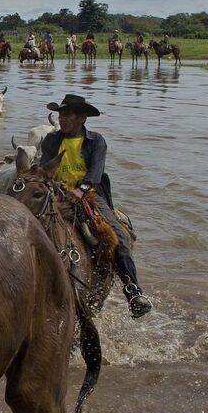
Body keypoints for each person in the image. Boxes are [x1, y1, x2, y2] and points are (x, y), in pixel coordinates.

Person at [36, 94, 152, 318]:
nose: (62, 119)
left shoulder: (96, 141)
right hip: (56, 193)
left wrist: (79, 190)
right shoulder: (51, 140)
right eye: (61, 114)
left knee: (116, 237)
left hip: (88, 194)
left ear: (82, 118)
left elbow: (95, 174)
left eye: (67, 114)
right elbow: (45, 167)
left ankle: (133, 291)